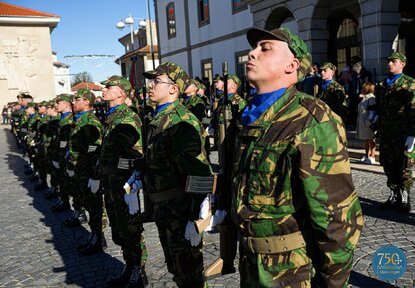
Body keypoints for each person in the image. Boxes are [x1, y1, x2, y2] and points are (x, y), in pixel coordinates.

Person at [234, 27, 363, 287]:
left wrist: (334, 282)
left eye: (265, 48)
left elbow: (336, 216)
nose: (252, 53)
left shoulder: (310, 119)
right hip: (251, 263)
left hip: (292, 270)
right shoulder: (247, 117)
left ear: (292, 65)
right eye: (254, 47)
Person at [142, 62, 213, 288]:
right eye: (150, 81)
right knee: (176, 269)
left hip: (180, 209)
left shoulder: (181, 120)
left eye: (156, 81)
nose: (150, 86)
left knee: (189, 274)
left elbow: (199, 171)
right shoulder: (158, 118)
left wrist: (196, 218)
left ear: (173, 88)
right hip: (164, 207)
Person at [97, 75, 148, 287]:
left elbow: (135, 152)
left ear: (121, 92)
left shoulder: (127, 117)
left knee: (130, 227)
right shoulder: (111, 116)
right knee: (118, 227)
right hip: (111, 180)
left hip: (123, 182)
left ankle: (139, 270)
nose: (104, 90)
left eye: (109, 87)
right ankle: (129, 265)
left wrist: (132, 180)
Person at [376, 52, 414, 213]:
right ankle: (394, 194)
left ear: (402, 64)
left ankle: (405, 197)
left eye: (394, 61)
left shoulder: (410, 84)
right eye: (389, 61)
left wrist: (413, 133)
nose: (390, 64)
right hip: (386, 132)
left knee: (404, 165)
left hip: (403, 133)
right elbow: (380, 108)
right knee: (388, 163)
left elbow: (413, 110)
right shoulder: (382, 85)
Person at [51, 94, 74, 213]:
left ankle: (78, 211)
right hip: (62, 156)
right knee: (63, 181)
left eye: (58, 103)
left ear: (65, 104)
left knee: (72, 185)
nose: (56, 105)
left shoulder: (70, 119)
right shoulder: (63, 118)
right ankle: (64, 201)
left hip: (69, 157)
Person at [357, 82, 377, 164]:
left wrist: (369, 121)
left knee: (371, 140)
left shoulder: (371, 98)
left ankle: (372, 156)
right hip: (363, 122)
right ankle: (367, 155)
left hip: (368, 123)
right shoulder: (365, 97)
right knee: (366, 140)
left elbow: (372, 111)